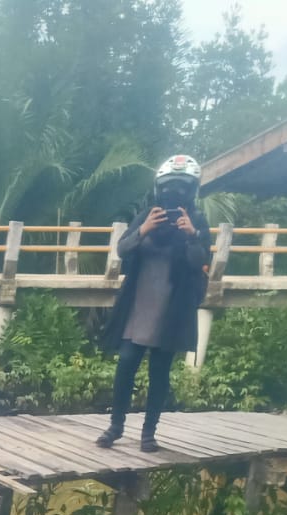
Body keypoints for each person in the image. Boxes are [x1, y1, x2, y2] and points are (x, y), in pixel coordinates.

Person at [97, 154, 211, 453]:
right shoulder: (148, 215)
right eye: (169, 187)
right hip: (138, 309)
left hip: (171, 312)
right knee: (125, 364)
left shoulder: (197, 222)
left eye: (181, 188)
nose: (175, 193)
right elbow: (122, 249)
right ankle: (116, 426)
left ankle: (149, 433)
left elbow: (201, 261)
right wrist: (144, 229)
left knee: (159, 373)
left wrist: (192, 235)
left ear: (191, 190)